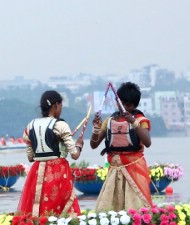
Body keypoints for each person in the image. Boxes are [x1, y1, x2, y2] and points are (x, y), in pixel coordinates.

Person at [16, 91, 82, 217]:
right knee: (59, 208)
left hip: (37, 171)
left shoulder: (30, 126)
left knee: (38, 207)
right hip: (58, 171)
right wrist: (79, 145)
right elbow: (74, 155)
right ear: (56, 105)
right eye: (61, 106)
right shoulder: (60, 125)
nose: (61, 109)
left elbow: (30, 157)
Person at [91, 81, 153, 212]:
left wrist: (133, 122)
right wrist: (96, 129)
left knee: (137, 205)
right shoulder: (109, 121)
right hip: (114, 170)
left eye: (128, 105)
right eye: (121, 103)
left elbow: (147, 142)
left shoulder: (141, 120)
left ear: (134, 105)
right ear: (117, 101)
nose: (124, 107)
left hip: (135, 169)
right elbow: (94, 144)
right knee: (112, 206)